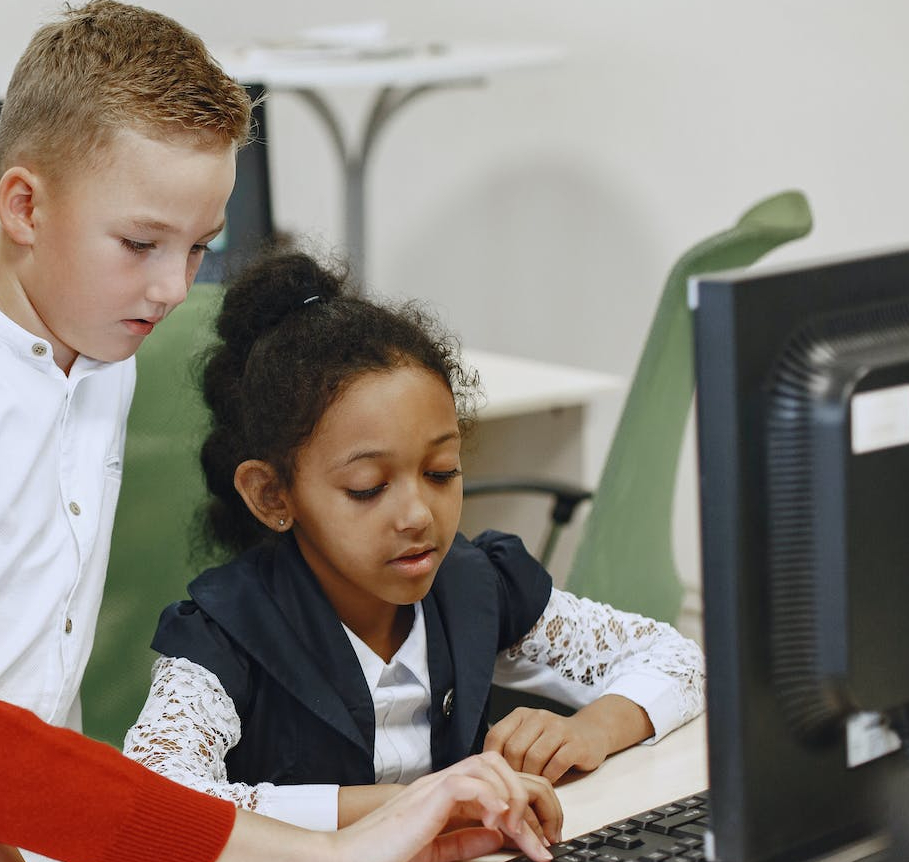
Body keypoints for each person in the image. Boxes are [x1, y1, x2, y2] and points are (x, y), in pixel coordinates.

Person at [0, 4, 553, 862]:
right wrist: (333, 850)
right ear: (24, 206)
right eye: (141, 242)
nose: (174, 290)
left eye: (197, 249)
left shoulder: (97, 339)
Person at [123, 249, 706, 834]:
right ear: (273, 496)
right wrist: (424, 804)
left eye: (441, 472)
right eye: (368, 488)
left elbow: (680, 659)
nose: (417, 515)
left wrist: (588, 730)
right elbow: (154, 805)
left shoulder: (476, 585)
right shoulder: (226, 635)